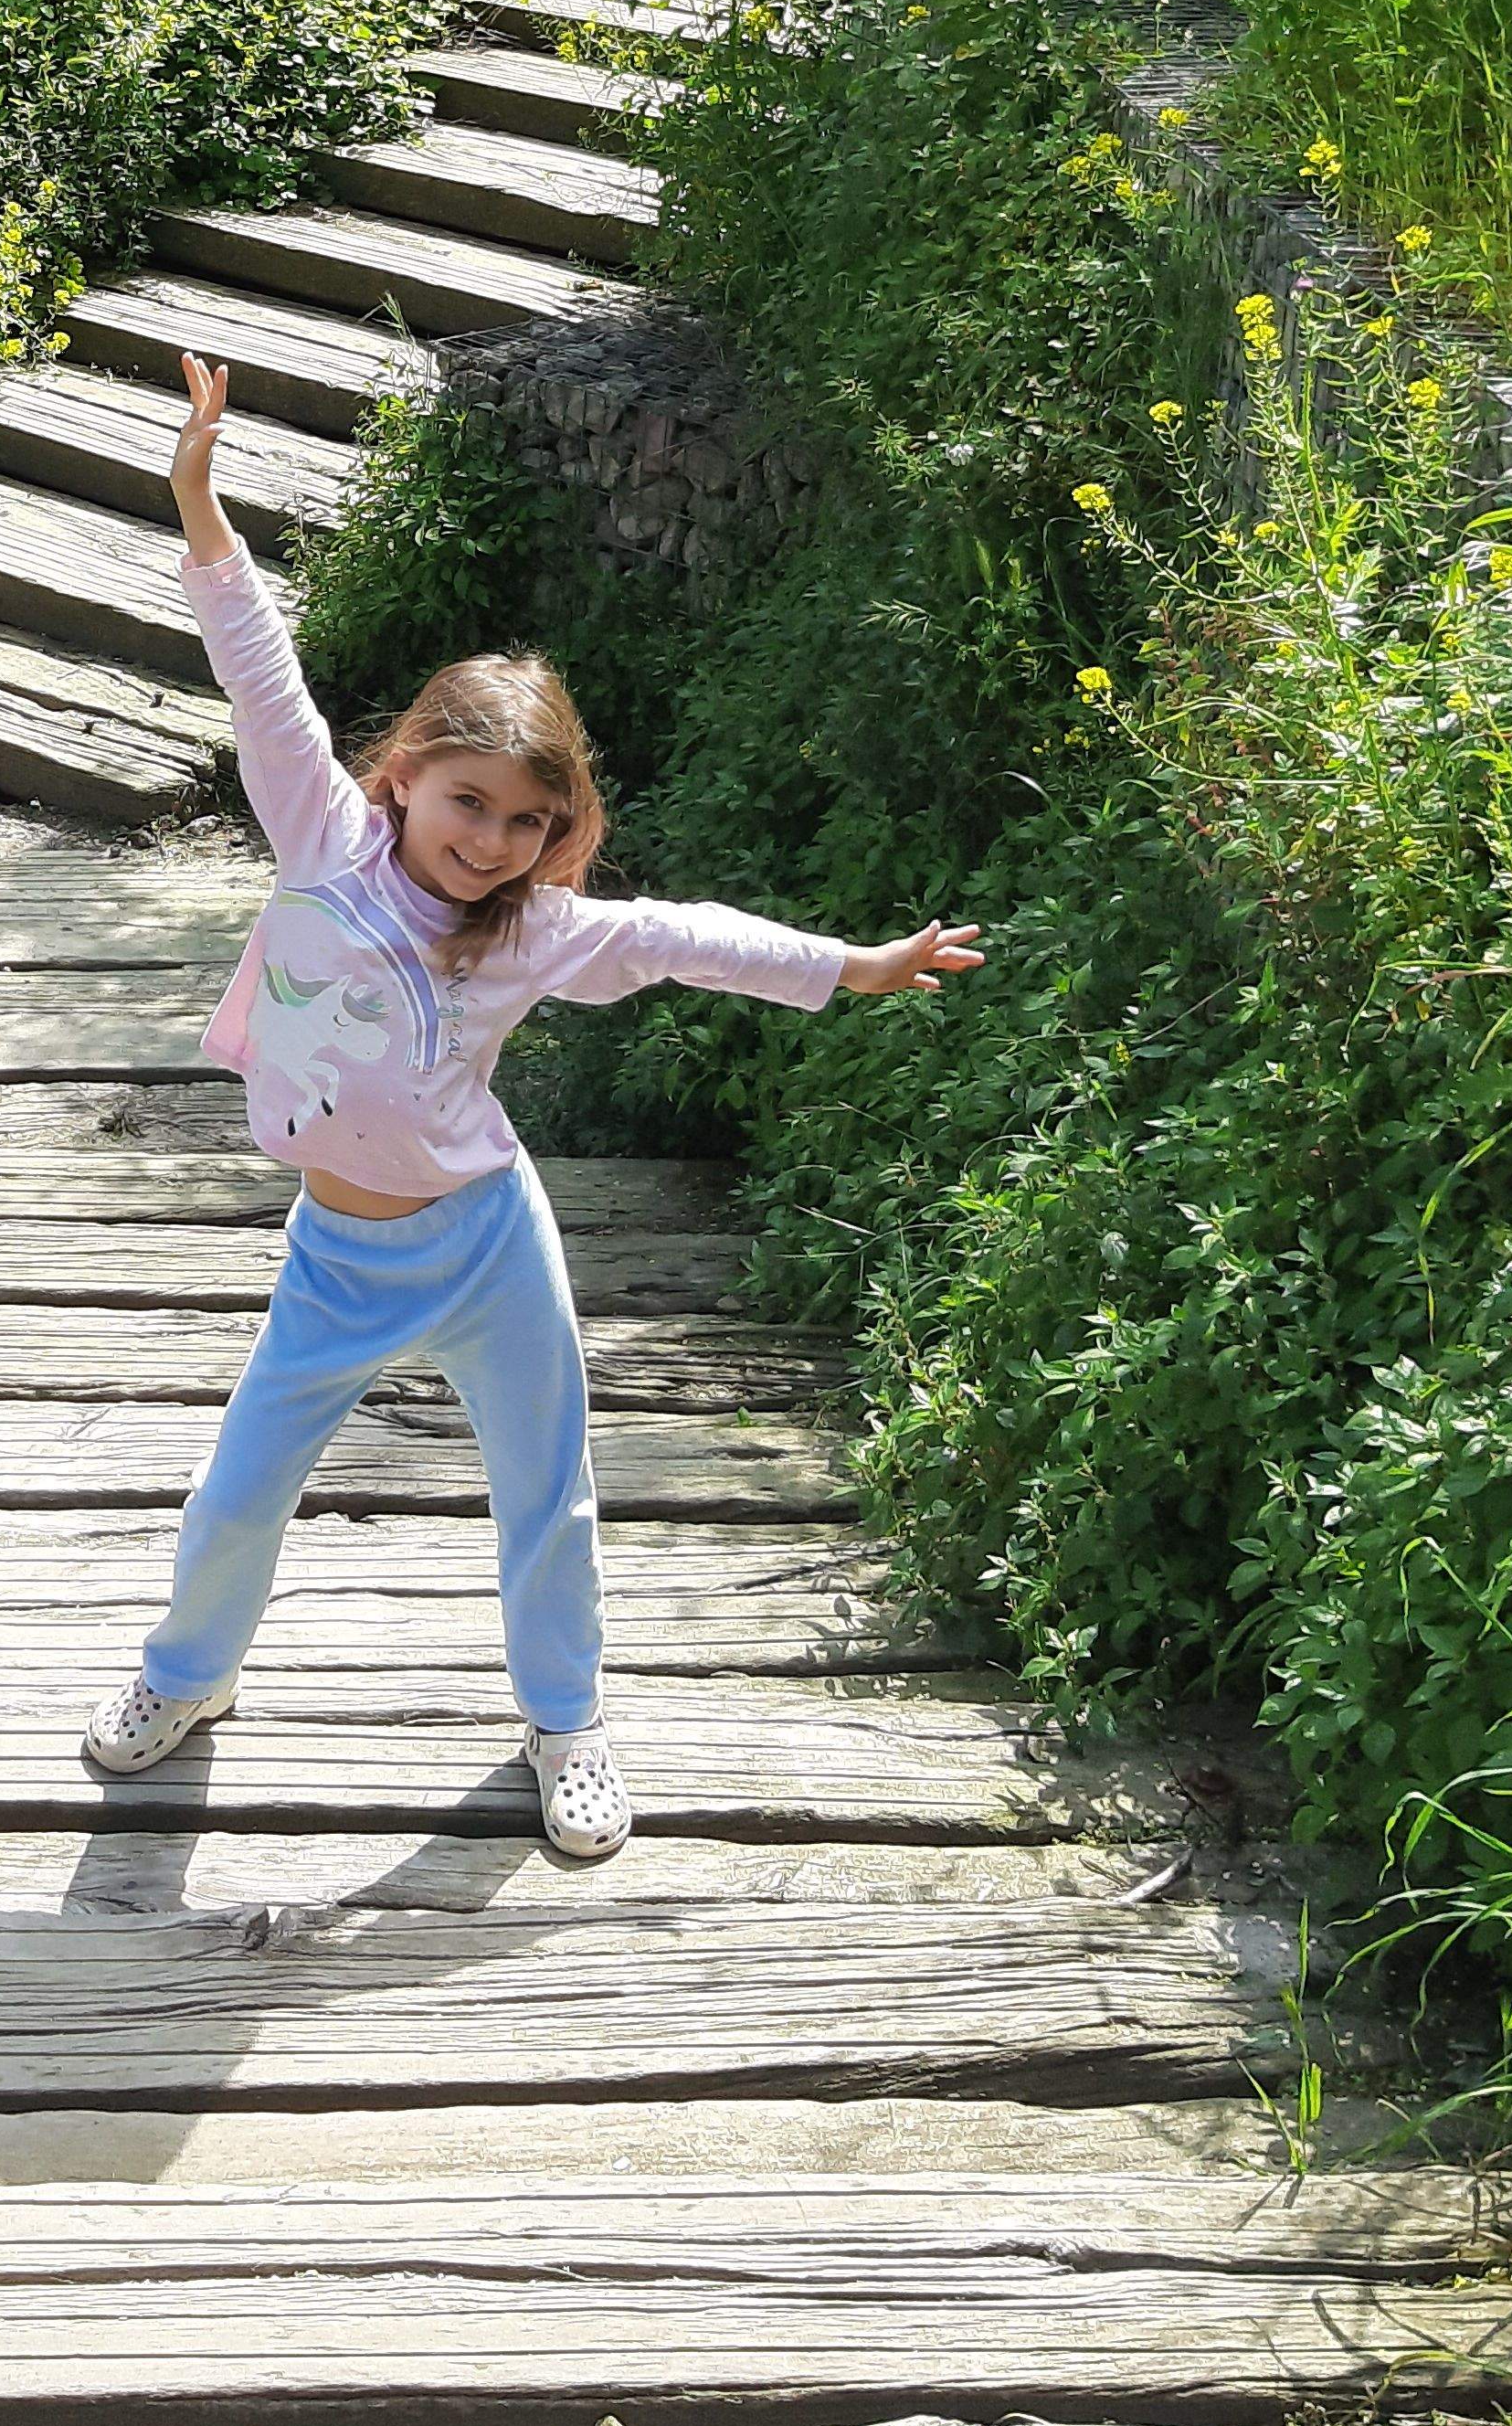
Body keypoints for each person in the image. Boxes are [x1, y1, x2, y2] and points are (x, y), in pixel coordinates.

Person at [82, 348, 983, 1861]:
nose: (492, 841)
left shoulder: (539, 931)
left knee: (544, 1494)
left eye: (529, 823)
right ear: (405, 776)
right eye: (468, 804)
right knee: (240, 1490)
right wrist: (198, 498)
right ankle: (188, 1679)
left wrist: (855, 967)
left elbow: (688, 934)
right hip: (335, 1253)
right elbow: (258, 661)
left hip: (488, 1246)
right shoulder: (320, 835)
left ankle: (567, 1724)